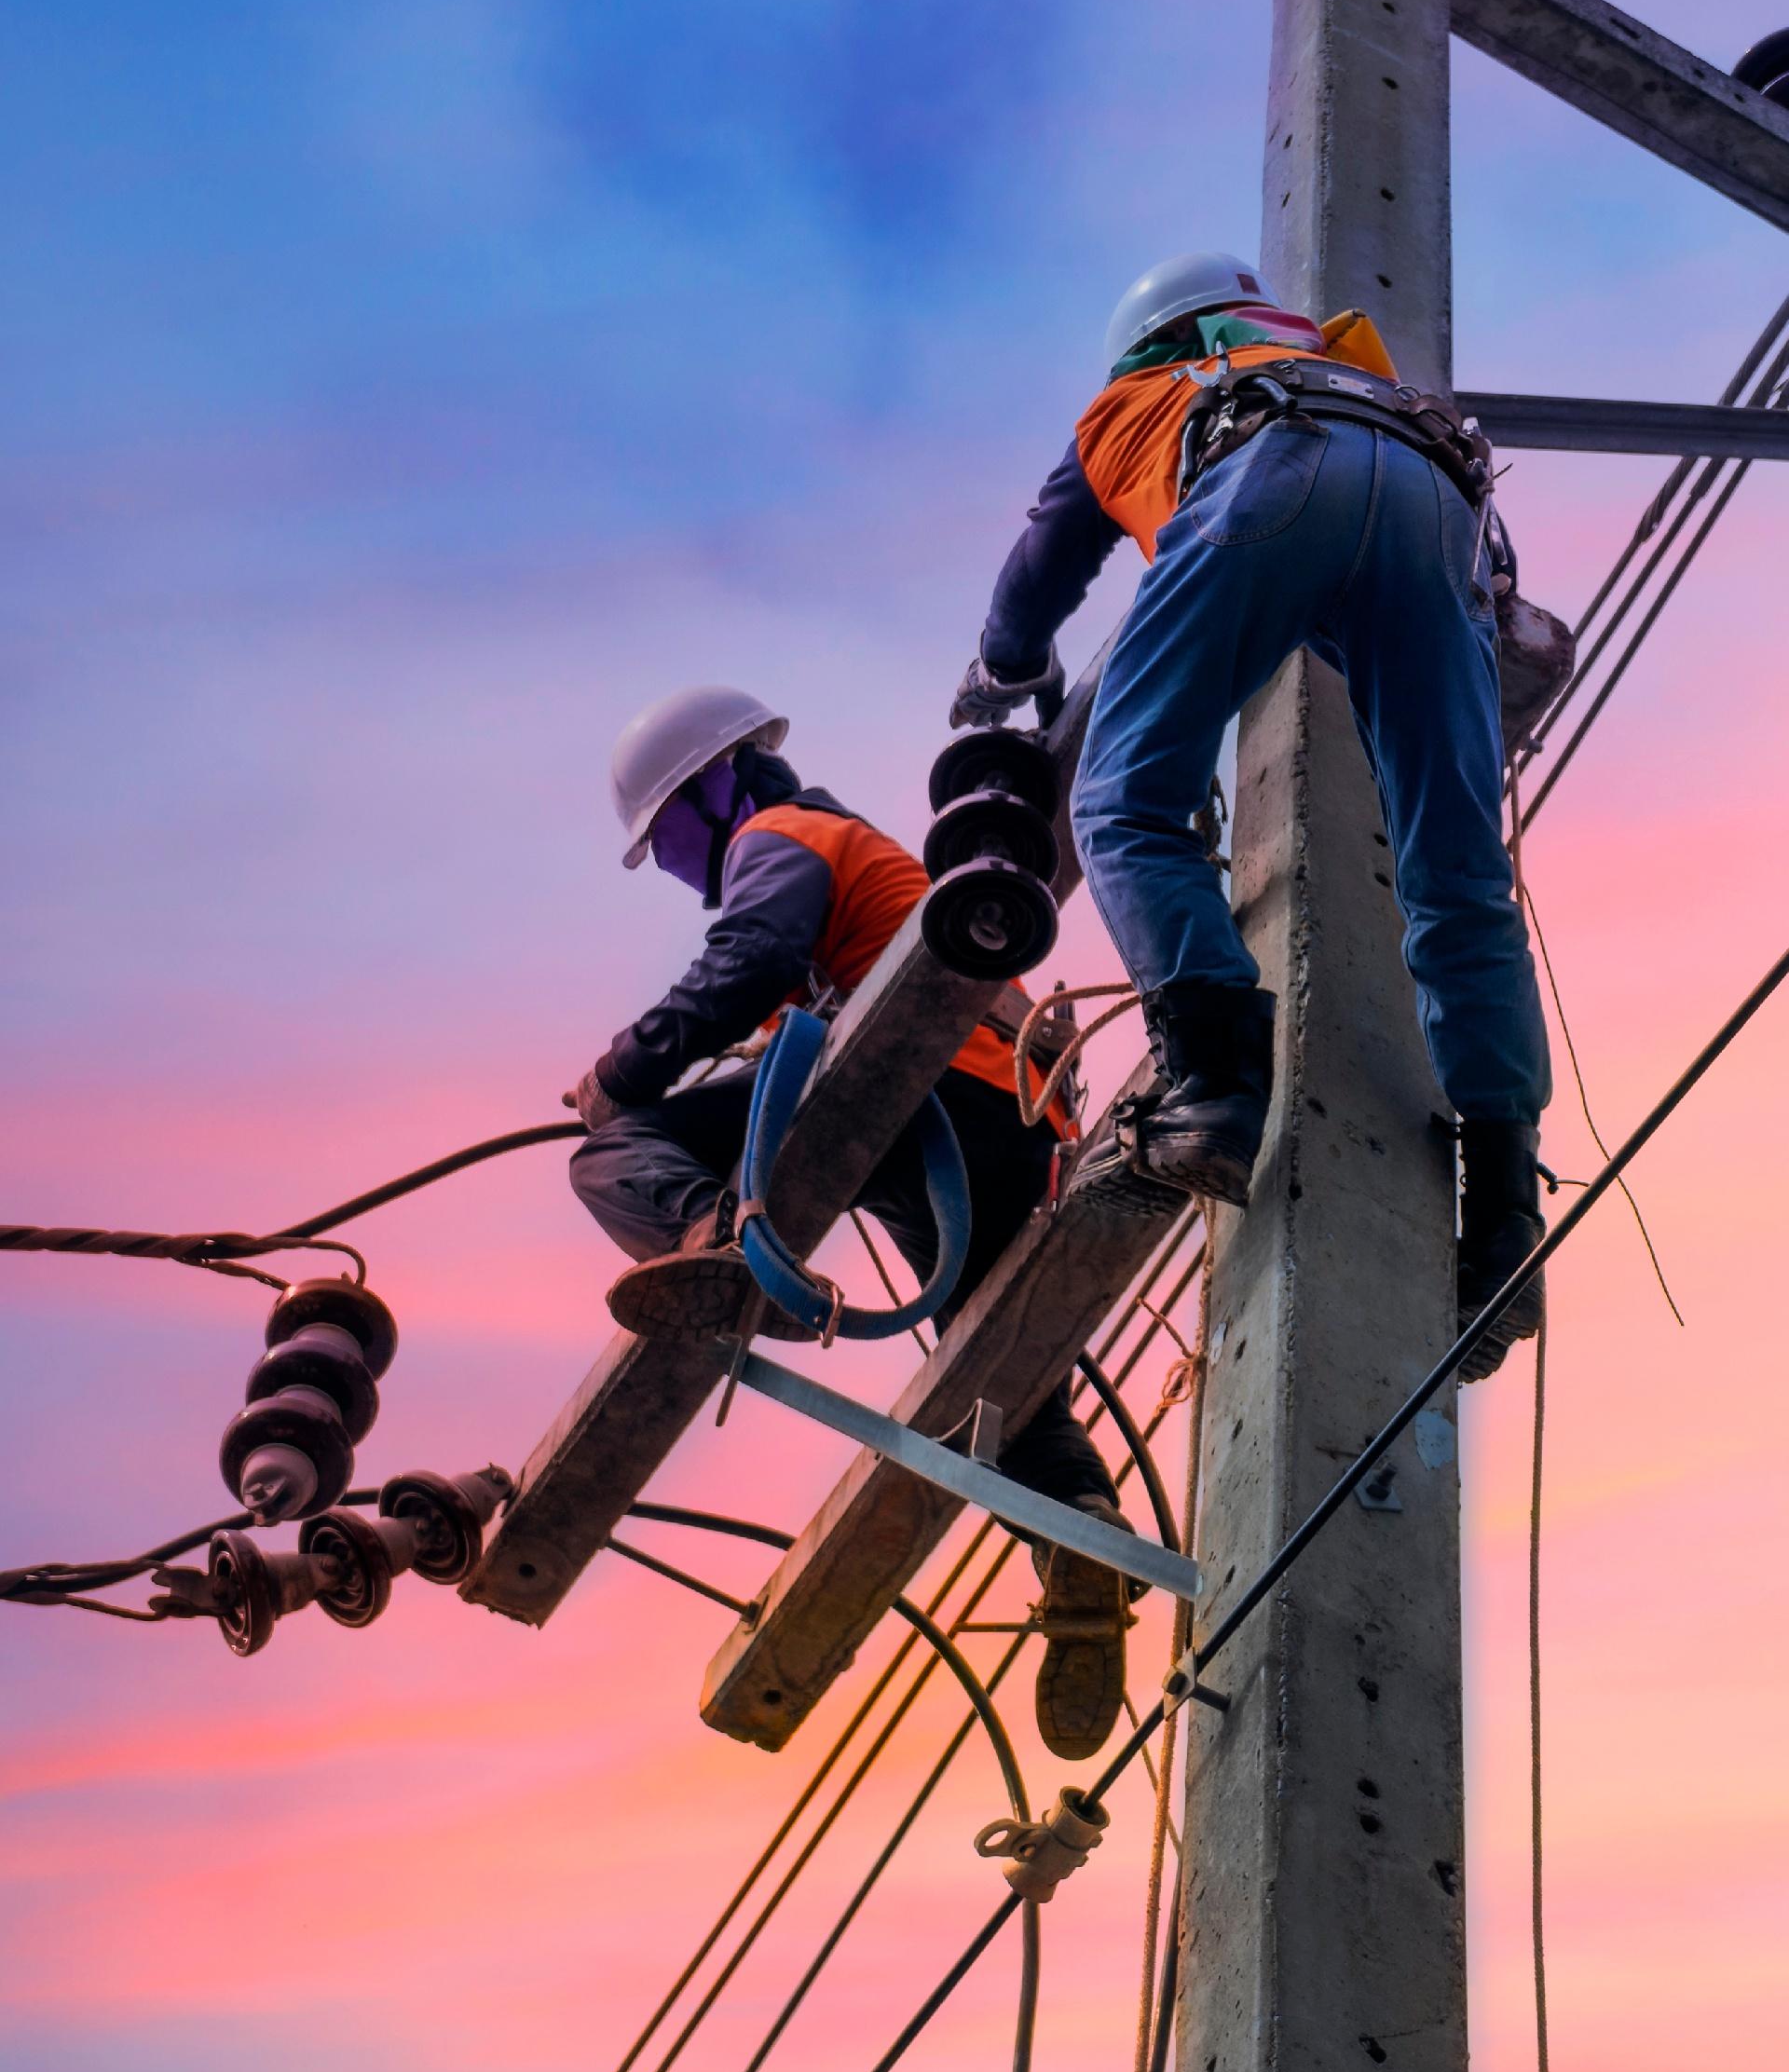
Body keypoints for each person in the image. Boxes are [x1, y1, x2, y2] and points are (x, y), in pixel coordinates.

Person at [950, 249, 1553, 1381]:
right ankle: (1505, 1211)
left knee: (1124, 799)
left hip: (1269, 469)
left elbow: (1043, 568)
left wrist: (999, 673)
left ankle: (1216, 1089)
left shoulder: (1133, 398)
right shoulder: (1342, 362)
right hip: (1432, 505)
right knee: (1462, 880)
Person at [567, 683, 1133, 1757]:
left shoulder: (780, 835)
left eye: (670, 840)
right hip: (1013, 1120)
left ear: (712, 787)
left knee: (612, 1154)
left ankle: (716, 1250)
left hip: (924, 1089)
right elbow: (788, 995)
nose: (680, 869)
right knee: (994, 1378)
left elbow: (751, 961)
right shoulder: (857, 872)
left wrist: (623, 1068)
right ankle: (1078, 1544)